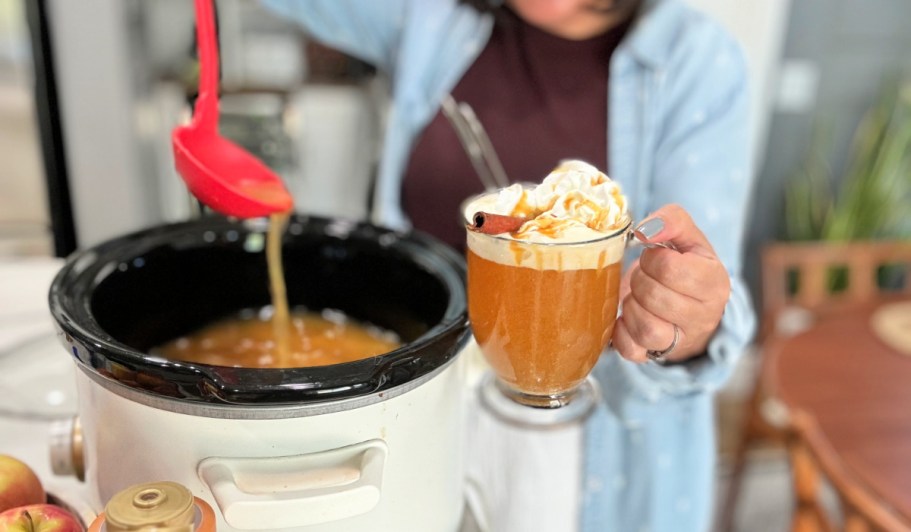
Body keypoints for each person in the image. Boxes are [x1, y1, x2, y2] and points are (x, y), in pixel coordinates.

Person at [263, 0, 756, 530]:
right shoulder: (434, 18)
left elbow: (704, 282)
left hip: (579, 451)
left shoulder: (696, 60)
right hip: (418, 410)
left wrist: (683, 318)